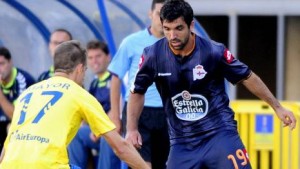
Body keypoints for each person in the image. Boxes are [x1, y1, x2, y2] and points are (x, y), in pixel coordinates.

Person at [126, 0, 297, 169]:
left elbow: (247, 77)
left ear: (191, 25)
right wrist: (132, 129)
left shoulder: (213, 52)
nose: (172, 36)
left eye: (178, 28)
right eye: (167, 29)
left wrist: (278, 107)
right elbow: (137, 91)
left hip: (219, 135)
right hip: (182, 143)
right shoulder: (153, 55)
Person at [0, 40, 150, 169]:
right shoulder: (78, 93)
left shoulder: (28, 93)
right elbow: (120, 147)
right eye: (85, 70)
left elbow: (8, 145)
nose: (84, 75)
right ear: (79, 69)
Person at [108, 0, 169, 168]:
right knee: (142, 165)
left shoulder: (176, 43)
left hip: (167, 112)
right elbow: (115, 77)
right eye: (159, 14)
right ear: (150, 14)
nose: (162, 20)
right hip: (138, 112)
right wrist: (115, 115)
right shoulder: (131, 42)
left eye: (167, 15)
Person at [68, 40, 121, 169]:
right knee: (76, 134)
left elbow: (117, 108)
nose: (94, 61)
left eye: (98, 56)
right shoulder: (94, 84)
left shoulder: (116, 79)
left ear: (108, 57)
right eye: (90, 58)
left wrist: (99, 129)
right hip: (98, 129)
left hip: (117, 129)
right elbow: (87, 111)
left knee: (107, 138)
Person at [0, 46, 35, 152]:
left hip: (22, 127)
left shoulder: (23, 80)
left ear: (10, 62)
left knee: (10, 127)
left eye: (1, 64)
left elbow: (16, 116)